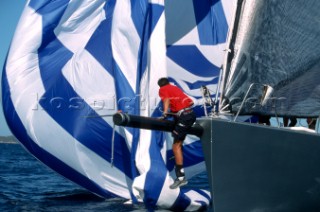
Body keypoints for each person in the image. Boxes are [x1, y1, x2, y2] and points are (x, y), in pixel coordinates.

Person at [158, 77, 196, 189]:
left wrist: (165, 113)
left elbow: (166, 100)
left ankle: (181, 178)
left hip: (184, 117)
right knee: (178, 142)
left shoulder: (163, 89)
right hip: (189, 114)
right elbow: (190, 102)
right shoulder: (175, 88)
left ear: (160, 86)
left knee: (176, 146)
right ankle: (178, 164)